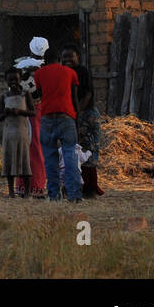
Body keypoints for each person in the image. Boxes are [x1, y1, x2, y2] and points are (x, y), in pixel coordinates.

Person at [33, 45, 82, 202]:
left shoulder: (39, 74)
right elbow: (75, 98)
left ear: (45, 61)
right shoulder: (70, 73)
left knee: (50, 158)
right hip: (66, 116)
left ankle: (54, 194)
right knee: (70, 156)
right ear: (60, 60)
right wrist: (77, 118)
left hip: (47, 118)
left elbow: (40, 94)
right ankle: (74, 195)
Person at [63, 45, 104, 198]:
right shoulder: (63, 73)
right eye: (64, 57)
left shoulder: (82, 71)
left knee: (88, 151)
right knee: (74, 151)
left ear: (78, 58)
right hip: (72, 115)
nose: (67, 60)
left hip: (86, 114)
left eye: (70, 56)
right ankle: (76, 186)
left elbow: (88, 93)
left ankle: (90, 188)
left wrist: (78, 113)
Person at [14, 37, 48, 198]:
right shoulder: (45, 68)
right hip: (36, 109)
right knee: (37, 146)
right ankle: (37, 186)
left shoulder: (19, 66)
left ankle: (21, 186)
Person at [0, 69, 33, 198]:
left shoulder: (25, 94)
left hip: (22, 131)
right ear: (6, 80)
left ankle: (27, 191)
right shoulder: (4, 96)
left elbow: (32, 112)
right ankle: (11, 191)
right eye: (10, 79)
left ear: (20, 80)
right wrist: (5, 113)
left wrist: (21, 112)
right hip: (8, 132)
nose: (13, 82)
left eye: (16, 79)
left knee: (24, 161)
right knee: (9, 160)